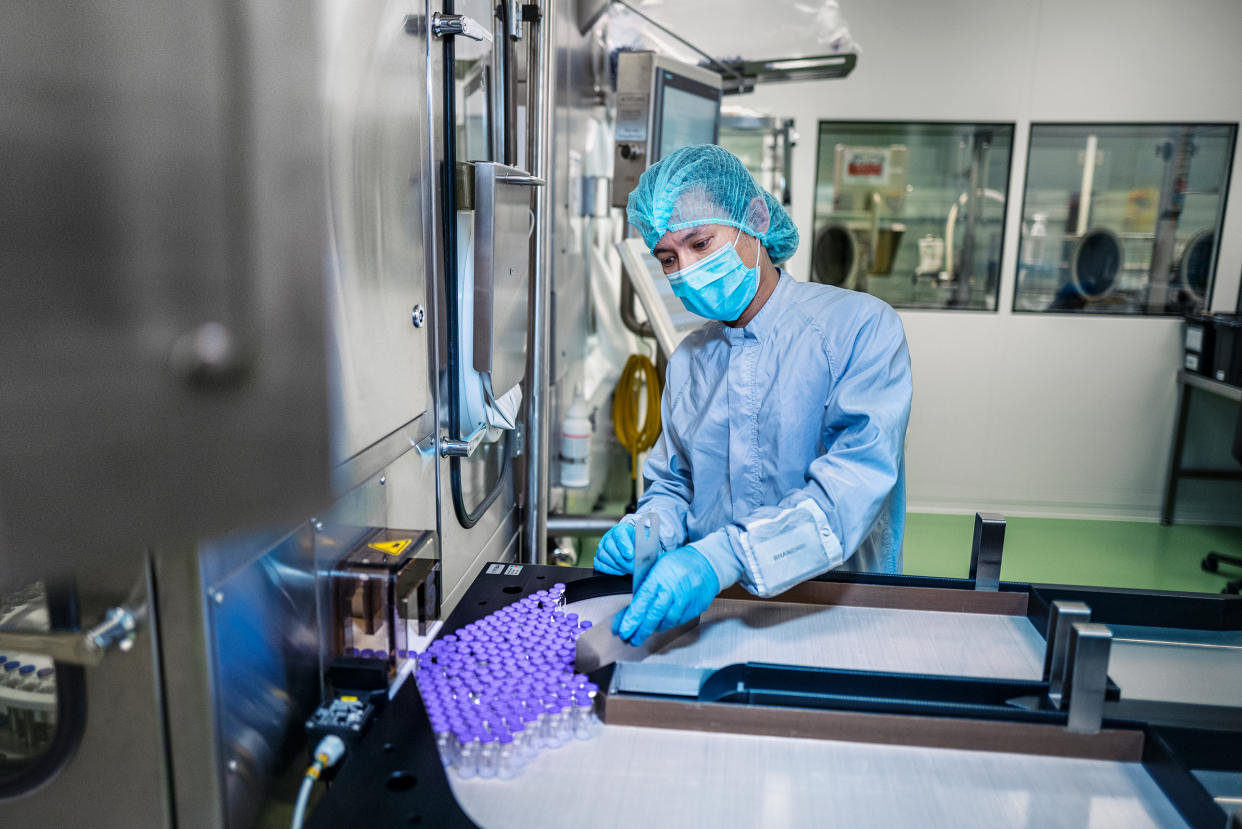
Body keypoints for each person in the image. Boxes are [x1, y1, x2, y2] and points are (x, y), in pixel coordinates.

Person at [594, 144, 912, 647]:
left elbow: (852, 485)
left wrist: (721, 558)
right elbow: (675, 484)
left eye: (700, 243)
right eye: (669, 258)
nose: (685, 269)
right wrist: (648, 527)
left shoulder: (860, 328)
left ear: (754, 221)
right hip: (718, 614)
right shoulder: (690, 361)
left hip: (834, 605)